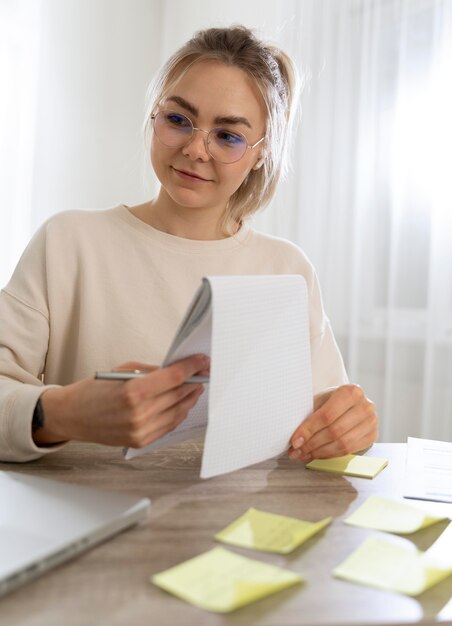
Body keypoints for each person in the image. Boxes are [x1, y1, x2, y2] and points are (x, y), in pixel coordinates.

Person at [0, 25, 378, 464]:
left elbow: (323, 418)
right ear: (153, 116)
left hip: (239, 523)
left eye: (228, 135)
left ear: (262, 153)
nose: (196, 149)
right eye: (178, 120)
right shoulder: (67, 242)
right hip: (87, 519)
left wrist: (349, 425)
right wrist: (62, 413)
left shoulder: (287, 269)